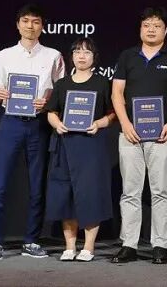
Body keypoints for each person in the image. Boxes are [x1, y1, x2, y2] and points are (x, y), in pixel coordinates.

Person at [0, 4, 66, 260]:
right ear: (18, 24)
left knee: (37, 185)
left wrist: (49, 102)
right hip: (10, 122)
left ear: (42, 26)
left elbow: (61, 90)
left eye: (36, 21)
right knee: (0, 184)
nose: (30, 26)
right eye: (26, 21)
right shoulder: (5, 55)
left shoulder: (53, 55)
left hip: (39, 124)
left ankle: (32, 240)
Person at [110, 7, 167, 265]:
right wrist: (125, 124)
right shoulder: (127, 56)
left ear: (166, 30)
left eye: (157, 25)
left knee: (161, 191)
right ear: (140, 29)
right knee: (130, 192)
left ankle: (160, 245)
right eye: (147, 25)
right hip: (130, 134)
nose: (151, 29)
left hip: (162, 135)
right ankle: (129, 245)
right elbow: (116, 93)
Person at [44, 37, 116, 262]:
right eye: (77, 52)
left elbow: (113, 113)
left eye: (86, 52)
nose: (81, 56)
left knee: (91, 194)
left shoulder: (103, 83)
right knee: (66, 196)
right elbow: (51, 112)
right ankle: (69, 247)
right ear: (71, 57)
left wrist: (99, 123)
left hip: (92, 147)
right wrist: (57, 124)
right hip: (65, 146)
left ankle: (88, 247)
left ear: (94, 57)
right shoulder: (62, 84)